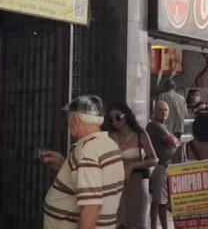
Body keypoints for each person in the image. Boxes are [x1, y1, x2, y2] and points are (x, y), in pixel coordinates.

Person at [40, 95, 125, 229]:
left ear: (76, 120)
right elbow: (93, 181)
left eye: (68, 119)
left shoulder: (87, 151)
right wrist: (64, 165)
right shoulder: (109, 144)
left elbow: (91, 207)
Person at [104, 102, 159, 229]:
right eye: (110, 119)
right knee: (116, 222)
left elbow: (154, 159)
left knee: (137, 221)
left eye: (118, 117)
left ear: (126, 116)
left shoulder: (140, 135)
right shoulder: (110, 136)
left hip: (137, 182)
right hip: (116, 183)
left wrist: (134, 165)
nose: (114, 121)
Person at [146, 101, 180, 229]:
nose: (163, 113)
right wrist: (174, 140)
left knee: (158, 201)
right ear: (154, 111)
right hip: (161, 166)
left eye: (165, 110)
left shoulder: (163, 126)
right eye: (160, 110)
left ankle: (155, 226)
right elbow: (173, 142)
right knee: (161, 202)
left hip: (165, 166)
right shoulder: (154, 125)